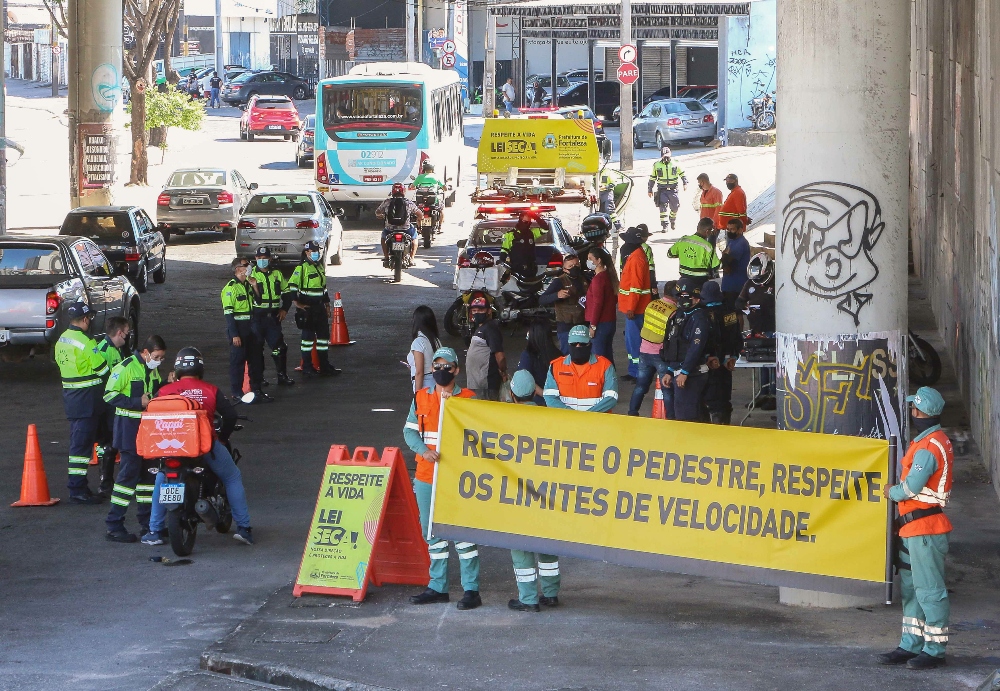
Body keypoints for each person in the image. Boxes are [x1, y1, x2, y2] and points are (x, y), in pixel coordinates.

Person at [142, 347, 254, 546]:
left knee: (161, 479)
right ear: (200, 368)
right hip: (203, 447)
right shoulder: (211, 391)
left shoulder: (163, 391)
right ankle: (244, 529)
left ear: (176, 369)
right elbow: (230, 416)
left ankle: (154, 531)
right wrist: (222, 438)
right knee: (232, 476)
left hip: (169, 448)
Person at [878, 387, 953, 670]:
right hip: (913, 529)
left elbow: (910, 488)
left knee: (929, 591)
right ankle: (910, 644)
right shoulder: (929, 441)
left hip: (925, 530)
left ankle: (934, 650)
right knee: (912, 590)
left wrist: (890, 492)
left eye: (914, 408)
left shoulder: (929, 447)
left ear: (920, 412)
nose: (911, 412)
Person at [403, 347, 481, 610]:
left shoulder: (469, 399)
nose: (440, 371)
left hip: (458, 479)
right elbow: (409, 432)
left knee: (463, 533)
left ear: (456, 370)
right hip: (426, 476)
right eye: (436, 366)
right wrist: (423, 451)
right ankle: (438, 587)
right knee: (431, 532)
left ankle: (471, 590)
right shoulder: (420, 398)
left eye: (446, 366)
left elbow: (481, 436)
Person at [102, 335, 166, 542]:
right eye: (157, 356)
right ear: (146, 353)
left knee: (148, 480)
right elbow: (109, 395)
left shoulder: (152, 368)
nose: (159, 361)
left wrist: (167, 384)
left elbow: (153, 393)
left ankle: (147, 525)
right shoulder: (125, 367)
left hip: (148, 431)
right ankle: (114, 525)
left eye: (162, 358)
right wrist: (135, 401)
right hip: (129, 430)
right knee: (126, 480)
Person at [507, 369, 561, 612]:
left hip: (519, 494)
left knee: (520, 545)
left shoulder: (504, 420)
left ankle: (528, 598)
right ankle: (551, 594)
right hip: (546, 492)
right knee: (547, 543)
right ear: (534, 392)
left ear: (512, 394)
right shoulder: (548, 418)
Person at [53, 301, 111, 504]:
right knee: (81, 448)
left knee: (83, 443)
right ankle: (77, 489)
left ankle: (82, 487)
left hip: (73, 398)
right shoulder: (87, 342)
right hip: (88, 400)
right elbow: (103, 371)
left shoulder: (62, 340)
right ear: (85, 319)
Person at [282, 241, 340, 377]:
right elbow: (292, 287)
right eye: (313, 251)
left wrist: (327, 305)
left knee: (323, 339)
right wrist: (297, 304)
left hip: (320, 308)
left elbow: (323, 289)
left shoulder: (319, 267)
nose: (316, 253)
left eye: (317, 251)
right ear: (306, 252)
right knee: (307, 340)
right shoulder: (301, 268)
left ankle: (324, 366)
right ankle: (307, 367)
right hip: (308, 308)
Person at [660, 279, 712, 422]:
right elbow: (675, 344)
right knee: (695, 412)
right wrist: (670, 370)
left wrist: (685, 372)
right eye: (680, 296)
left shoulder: (699, 317)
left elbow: (696, 348)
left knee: (686, 416)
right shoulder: (679, 315)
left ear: (695, 298)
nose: (683, 300)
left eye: (687, 297)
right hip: (680, 371)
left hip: (692, 374)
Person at [94, 316, 131, 498]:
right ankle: (105, 483)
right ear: (119, 332)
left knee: (113, 443)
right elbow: (103, 381)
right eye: (126, 333)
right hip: (108, 405)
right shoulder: (104, 350)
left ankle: (108, 481)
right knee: (109, 443)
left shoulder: (117, 349)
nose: (128, 336)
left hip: (114, 404)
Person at [627, 281, 677, 417]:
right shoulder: (673, 312)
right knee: (667, 390)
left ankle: (632, 412)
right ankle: (672, 418)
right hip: (660, 354)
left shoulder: (651, 305)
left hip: (644, 351)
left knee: (641, 386)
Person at [543, 325, 618, 411]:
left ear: (590, 344)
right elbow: (549, 397)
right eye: (573, 344)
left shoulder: (605, 366)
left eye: (582, 344)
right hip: (567, 422)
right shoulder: (555, 366)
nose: (578, 347)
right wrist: (574, 416)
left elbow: (611, 398)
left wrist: (586, 416)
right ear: (568, 344)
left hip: (596, 422)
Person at [222, 258, 266, 401]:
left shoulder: (248, 284)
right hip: (239, 329)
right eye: (246, 265)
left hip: (251, 327)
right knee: (238, 362)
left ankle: (257, 390)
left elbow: (259, 302)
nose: (249, 267)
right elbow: (229, 315)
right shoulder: (230, 288)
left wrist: (255, 286)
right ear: (238, 269)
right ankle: (237, 392)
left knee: (256, 360)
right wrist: (234, 335)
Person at [250, 247, 294, 387]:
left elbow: (287, 293)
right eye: (259, 258)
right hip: (257, 317)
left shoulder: (276, 274)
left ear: (269, 259)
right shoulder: (250, 276)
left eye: (265, 258)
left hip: (273, 318)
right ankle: (259, 378)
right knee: (257, 349)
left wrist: (284, 309)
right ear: (256, 259)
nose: (262, 260)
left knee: (280, 347)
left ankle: (282, 376)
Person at [736, 253, 776, 408]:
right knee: (760, 364)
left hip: (773, 329)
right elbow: (739, 300)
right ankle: (763, 393)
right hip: (756, 329)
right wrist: (742, 306)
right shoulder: (749, 284)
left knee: (772, 364)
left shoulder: (778, 283)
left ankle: (773, 394)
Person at [700, 281, 742, 425]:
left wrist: (706, 357)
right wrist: (733, 356)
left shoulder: (703, 314)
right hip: (727, 362)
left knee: (711, 398)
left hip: (709, 363)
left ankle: (716, 430)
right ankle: (725, 426)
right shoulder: (729, 312)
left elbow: (701, 340)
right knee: (724, 397)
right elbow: (737, 336)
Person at [618, 227, 653, 381]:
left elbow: (635, 286)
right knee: (631, 342)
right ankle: (634, 371)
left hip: (635, 309)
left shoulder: (636, 258)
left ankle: (640, 373)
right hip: (633, 308)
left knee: (635, 343)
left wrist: (631, 307)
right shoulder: (635, 256)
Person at [538, 251, 587, 354]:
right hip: (566, 325)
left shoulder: (585, 279)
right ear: (565, 269)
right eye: (571, 266)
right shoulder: (559, 281)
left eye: (577, 264)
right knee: (567, 355)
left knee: (584, 354)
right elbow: (542, 299)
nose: (575, 267)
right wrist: (557, 295)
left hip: (583, 323)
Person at [465, 296, 507, 400]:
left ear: (489, 311)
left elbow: (500, 356)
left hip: (486, 383)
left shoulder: (491, 329)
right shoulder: (481, 327)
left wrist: (503, 371)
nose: (477, 313)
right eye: (474, 310)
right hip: (477, 383)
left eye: (480, 310)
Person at [667, 217, 721, 291]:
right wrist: (726, 256)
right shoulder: (707, 246)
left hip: (684, 280)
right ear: (707, 231)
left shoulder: (683, 240)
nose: (713, 232)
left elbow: (670, 254)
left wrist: (683, 254)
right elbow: (716, 266)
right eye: (712, 230)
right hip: (700, 282)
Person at [584, 247, 618, 364]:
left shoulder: (598, 280)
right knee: (607, 356)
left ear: (598, 261)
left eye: (590, 258)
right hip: (610, 322)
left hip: (600, 324)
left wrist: (593, 326)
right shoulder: (609, 276)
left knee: (599, 358)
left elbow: (597, 304)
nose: (588, 261)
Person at [376, 183, 421, 266]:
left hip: (390, 229)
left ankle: (386, 258)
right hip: (406, 229)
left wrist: (381, 216)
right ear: (404, 191)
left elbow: (377, 212)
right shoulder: (409, 203)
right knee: (415, 237)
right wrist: (419, 219)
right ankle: (412, 258)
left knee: (383, 238)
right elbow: (420, 214)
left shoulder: (387, 202)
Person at [516, 320, 560, 405]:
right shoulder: (558, 354)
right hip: (556, 401)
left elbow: (525, 380)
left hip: (536, 402)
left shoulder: (527, 355)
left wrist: (545, 395)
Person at [647, 146, 688, 232]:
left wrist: (685, 183)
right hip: (662, 190)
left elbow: (682, 174)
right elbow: (652, 178)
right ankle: (664, 226)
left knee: (675, 207)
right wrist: (650, 189)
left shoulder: (676, 163)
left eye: (668, 156)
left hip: (673, 189)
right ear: (661, 156)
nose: (666, 158)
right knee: (663, 208)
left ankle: (672, 220)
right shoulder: (656, 165)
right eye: (664, 156)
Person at [500, 211, 548, 279]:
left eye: (529, 222)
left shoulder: (532, 233)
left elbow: (545, 229)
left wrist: (536, 217)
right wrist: (503, 265)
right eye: (525, 222)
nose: (527, 224)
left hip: (531, 269)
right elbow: (504, 251)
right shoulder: (510, 235)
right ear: (520, 220)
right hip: (516, 270)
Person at [408, 305, 442, 394]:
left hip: (425, 384)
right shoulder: (436, 340)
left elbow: (419, 372)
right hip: (437, 382)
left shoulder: (418, 342)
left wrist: (417, 395)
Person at [720, 219, 751, 308]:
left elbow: (726, 264)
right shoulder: (732, 241)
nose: (729, 232)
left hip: (735, 286)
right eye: (728, 229)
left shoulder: (741, 243)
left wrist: (724, 256)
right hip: (729, 285)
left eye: (732, 229)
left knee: (735, 315)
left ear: (740, 230)